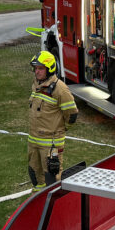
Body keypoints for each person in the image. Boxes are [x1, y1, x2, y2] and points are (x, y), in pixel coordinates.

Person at [27, 51, 77, 190]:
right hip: (33, 140)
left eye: (41, 68)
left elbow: (72, 114)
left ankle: (54, 202)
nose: (37, 71)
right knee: (35, 175)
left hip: (50, 144)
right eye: (35, 68)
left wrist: (62, 129)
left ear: (50, 69)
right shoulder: (36, 84)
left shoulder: (60, 89)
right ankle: (38, 198)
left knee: (52, 179)